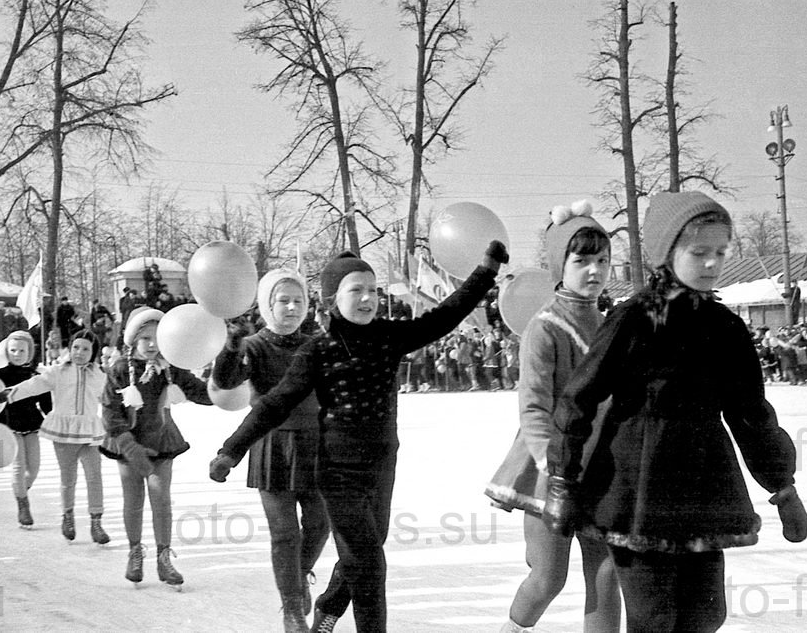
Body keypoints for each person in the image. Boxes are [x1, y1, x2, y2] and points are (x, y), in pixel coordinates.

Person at [209, 241, 508, 633]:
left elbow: (444, 317)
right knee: (369, 564)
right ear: (333, 298)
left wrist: (484, 272)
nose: (368, 298)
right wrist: (231, 450)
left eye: (373, 290)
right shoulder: (319, 349)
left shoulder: (389, 337)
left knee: (368, 550)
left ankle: (330, 603)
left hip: (382, 464)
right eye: (356, 290)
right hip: (337, 471)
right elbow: (275, 404)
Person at [544, 191, 807, 633]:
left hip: (704, 487)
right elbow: (578, 399)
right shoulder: (633, 320)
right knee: (654, 618)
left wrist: (783, 486)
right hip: (638, 488)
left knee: (707, 615)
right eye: (698, 252)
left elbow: (751, 414)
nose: (711, 263)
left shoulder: (726, 328)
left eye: (720, 252)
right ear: (668, 252)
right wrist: (561, 479)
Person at [485, 201, 621, 633]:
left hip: (601, 468)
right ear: (560, 265)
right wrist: (555, 467)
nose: (594, 270)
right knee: (548, 578)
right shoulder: (545, 327)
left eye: (603, 260)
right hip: (553, 469)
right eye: (582, 261)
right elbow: (534, 408)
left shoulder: (610, 325)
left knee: (605, 573)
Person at [210, 270, 330, 630]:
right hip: (272, 446)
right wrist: (231, 345)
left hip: (315, 445)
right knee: (284, 534)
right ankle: (292, 609)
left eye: (298, 301)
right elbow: (226, 380)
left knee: (320, 524)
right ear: (268, 304)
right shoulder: (254, 345)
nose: (292, 308)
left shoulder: (316, 343)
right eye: (283, 300)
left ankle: (300, 572)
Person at [100, 308, 213, 586]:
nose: (152, 344)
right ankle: (135, 552)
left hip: (161, 440)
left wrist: (223, 389)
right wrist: (129, 447)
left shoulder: (171, 368)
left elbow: (200, 392)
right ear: (133, 339)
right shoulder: (118, 370)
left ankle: (164, 558)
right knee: (133, 500)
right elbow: (110, 411)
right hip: (128, 443)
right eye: (145, 338)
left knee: (161, 498)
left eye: (158, 337)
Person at [0, 329, 110, 543]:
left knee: (94, 477)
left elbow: (114, 396)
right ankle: (67, 516)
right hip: (64, 432)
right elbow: (32, 386)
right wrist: (3, 396)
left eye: (86, 349)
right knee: (68, 479)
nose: (79, 352)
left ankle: (96, 523)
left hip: (89, 432)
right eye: (76, 347)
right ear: (70, 349)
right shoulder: (59, 371)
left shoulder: (100, 375)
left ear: (93, 352)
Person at [0, 331, 51, 527]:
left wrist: (55, 418)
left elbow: (47, 405)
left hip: (32, 424)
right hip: (9, 425)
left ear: (29, 352)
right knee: (19, 466)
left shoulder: (36, 376)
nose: (17, 354)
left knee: (34, 468)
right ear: (6, 351)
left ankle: (21, 489)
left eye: (22, 350)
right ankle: (23, 506)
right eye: (13, 350)